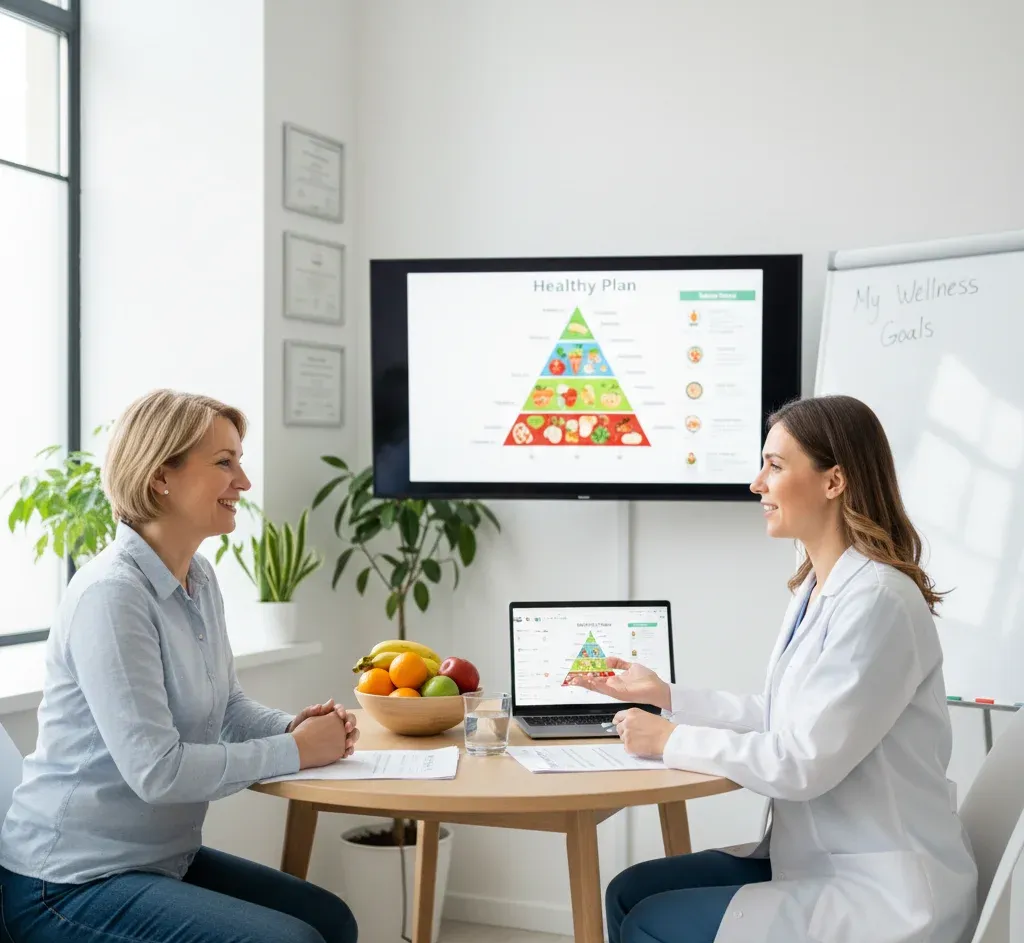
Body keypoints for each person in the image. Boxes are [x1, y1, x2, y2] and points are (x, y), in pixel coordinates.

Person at [574, 395, 978, 943]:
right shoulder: (817, 586)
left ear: (833, 481)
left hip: (880, 891)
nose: (756, 483)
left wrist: (670, 741)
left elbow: (801, 762)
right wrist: (669, 695)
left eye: (775, 465)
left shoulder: (879, 600)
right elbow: (784, 716)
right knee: (628, 891)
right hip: (816, 858)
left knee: (648, 919)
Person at [0, 390, 360, 943]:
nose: (243, 482)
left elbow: (228, 705)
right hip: (66, 884)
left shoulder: (198, 578)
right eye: (224, 463)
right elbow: (158, 772)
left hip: (160, 860)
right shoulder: (112, 595)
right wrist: (297, 751)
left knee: (331, 920)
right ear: (159, 476)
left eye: (239, 461)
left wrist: (292, 728)